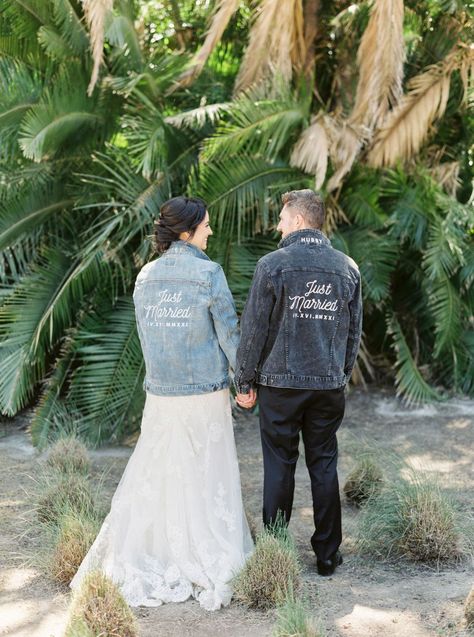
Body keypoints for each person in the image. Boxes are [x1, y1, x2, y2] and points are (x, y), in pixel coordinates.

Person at [71, 196, 253, 610]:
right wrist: (244, 383)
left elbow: (147, 338)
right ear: (187, 232)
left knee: (161, 470)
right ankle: (199, 549)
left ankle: (159, 549)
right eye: (206, 225)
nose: (211, 231)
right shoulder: (209, 274)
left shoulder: (145, 277)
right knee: (205, 473)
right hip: (205, 394)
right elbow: (229, 335)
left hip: (160, 394)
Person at [234, 189, 362, 576]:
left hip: (280, 387)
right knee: (323, 465)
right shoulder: (347, 268)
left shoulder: (273, 265)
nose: (278, 225)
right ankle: (327, 555)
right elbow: (354, 334)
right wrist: (340, 375)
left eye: (282, 218)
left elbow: (253, 330)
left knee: (279, 464)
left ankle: (274, 550)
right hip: (327, 385)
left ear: (300, 221)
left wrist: (244, 381)